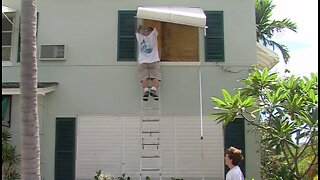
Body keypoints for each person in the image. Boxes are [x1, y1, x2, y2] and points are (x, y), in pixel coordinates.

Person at [136, 25, 161, 101]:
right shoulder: (153, 35)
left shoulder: (141, 37)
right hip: (153, 60)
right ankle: (153, 90)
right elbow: (157, 27)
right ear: (152, 31)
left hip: (143, 61)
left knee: (144, 77)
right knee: (156, 77)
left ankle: (146, 91)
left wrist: (139, 28)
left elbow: (136, 32)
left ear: (146, 32)